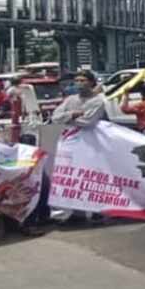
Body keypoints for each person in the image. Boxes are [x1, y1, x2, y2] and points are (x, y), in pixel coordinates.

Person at [51, 69, 107, 224]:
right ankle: (77, 213)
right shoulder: (70, 100)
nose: (79, 83)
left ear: (91, 82)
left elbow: (88, 121)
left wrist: (68, 118)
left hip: (89, 143)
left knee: (91, 177)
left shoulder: (98, 101)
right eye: (77, 81)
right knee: (73, 177)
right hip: (70, 142)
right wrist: (72, 114)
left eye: (83, 80)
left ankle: (96, 211)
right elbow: (55, 117)